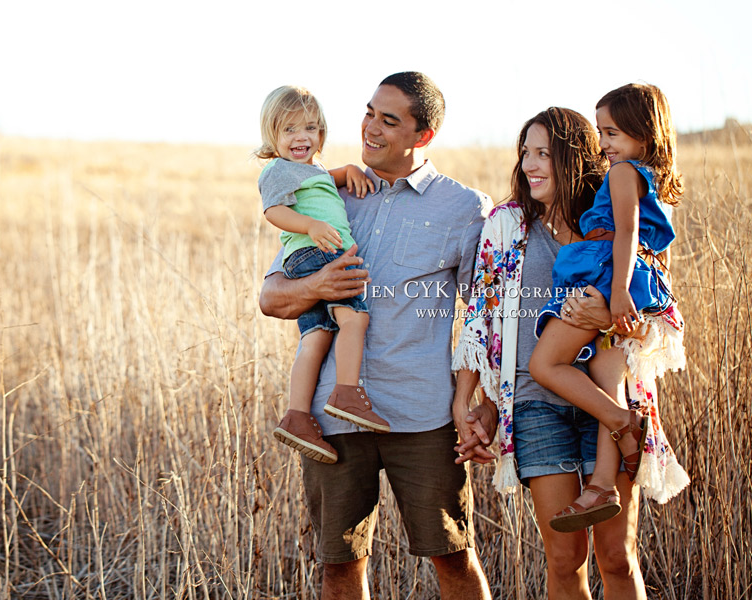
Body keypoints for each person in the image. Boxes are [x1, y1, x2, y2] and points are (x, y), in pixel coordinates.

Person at [259, 72, 493, 599]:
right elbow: (272, 298)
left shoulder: (463, 208)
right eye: (369, 112)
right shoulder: (330, 193)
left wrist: (474, 401)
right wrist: (319, 283)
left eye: (389, 121)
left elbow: (484, 317)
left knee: (453, 557)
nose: (370, 128)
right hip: (331, 419)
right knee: (340, 566)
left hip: (422, 413)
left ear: (422, 136)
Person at [453, 107, 688, 600]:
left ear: (573, 157)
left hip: (609, 400)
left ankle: (624, 422)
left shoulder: (612, 221)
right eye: (525, 153)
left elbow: (653, 306)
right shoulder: (507, 226)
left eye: (544, 154)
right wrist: (476, 402)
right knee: (565, 560)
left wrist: (606, 313)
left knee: (618, 558)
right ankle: (626, 424)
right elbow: (483, 317)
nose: (530, 164)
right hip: (537, 404)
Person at [528, 84, 687, 531]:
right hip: (643, 281)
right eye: (601, 133)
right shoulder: (658, 181)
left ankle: (623, 422)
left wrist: (617, 292)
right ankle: (601, 483)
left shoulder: (621, 174)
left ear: (645, 133)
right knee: (606, 377)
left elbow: (627, 234)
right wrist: (642, 294)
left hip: (606, 274)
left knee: (546, 364)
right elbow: (660, 253)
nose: (604, 145)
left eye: (612, 133)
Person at [255, 85, 388, 465]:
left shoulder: (306, 170)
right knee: (355, 318)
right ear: (272, 136)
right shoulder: (277, 170)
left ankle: (298, 416)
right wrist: (311, 225)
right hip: (319, 253)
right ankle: (347, 393)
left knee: (316, 335)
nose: (301, 138)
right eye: (290, 130)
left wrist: (345, 172)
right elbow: (274, 211)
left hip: (308, 256)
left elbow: (314, 180)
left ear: (322, 133)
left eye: (310, 129)